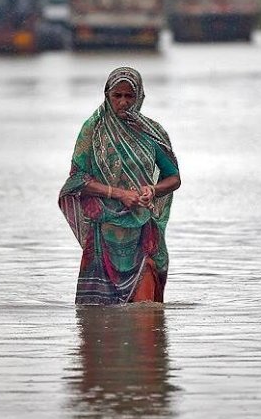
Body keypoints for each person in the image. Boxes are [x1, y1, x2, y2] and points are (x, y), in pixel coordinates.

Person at [59, 67, 181, 305]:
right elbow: (76, 181)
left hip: (143, 230)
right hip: (104, 234)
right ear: (107, 95)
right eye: (117, 96)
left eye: (129, 96)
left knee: (146, 315)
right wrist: (119, 194)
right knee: (97, 323)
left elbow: (174, 178)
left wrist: (152, 190)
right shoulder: (93, 131)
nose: (123, 102)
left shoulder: (152, 133)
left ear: (140, 97)